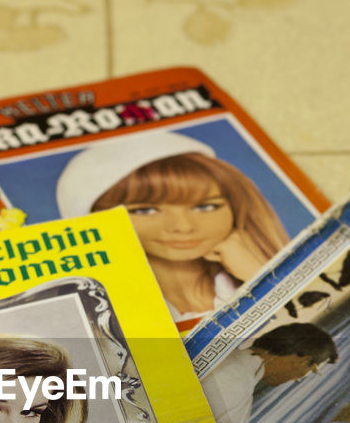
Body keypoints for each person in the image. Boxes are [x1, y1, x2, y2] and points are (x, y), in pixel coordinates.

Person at [55, 130, 290, 330]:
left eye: (206, 206)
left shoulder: (251, 271)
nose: (183, 227)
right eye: (145, 210)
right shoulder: (100, 314)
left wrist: (259, 275)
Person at [201, 322, 338, 423]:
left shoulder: (241, 368)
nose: (298, 379)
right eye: (311, 370)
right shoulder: (234, 377)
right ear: (303, 361)